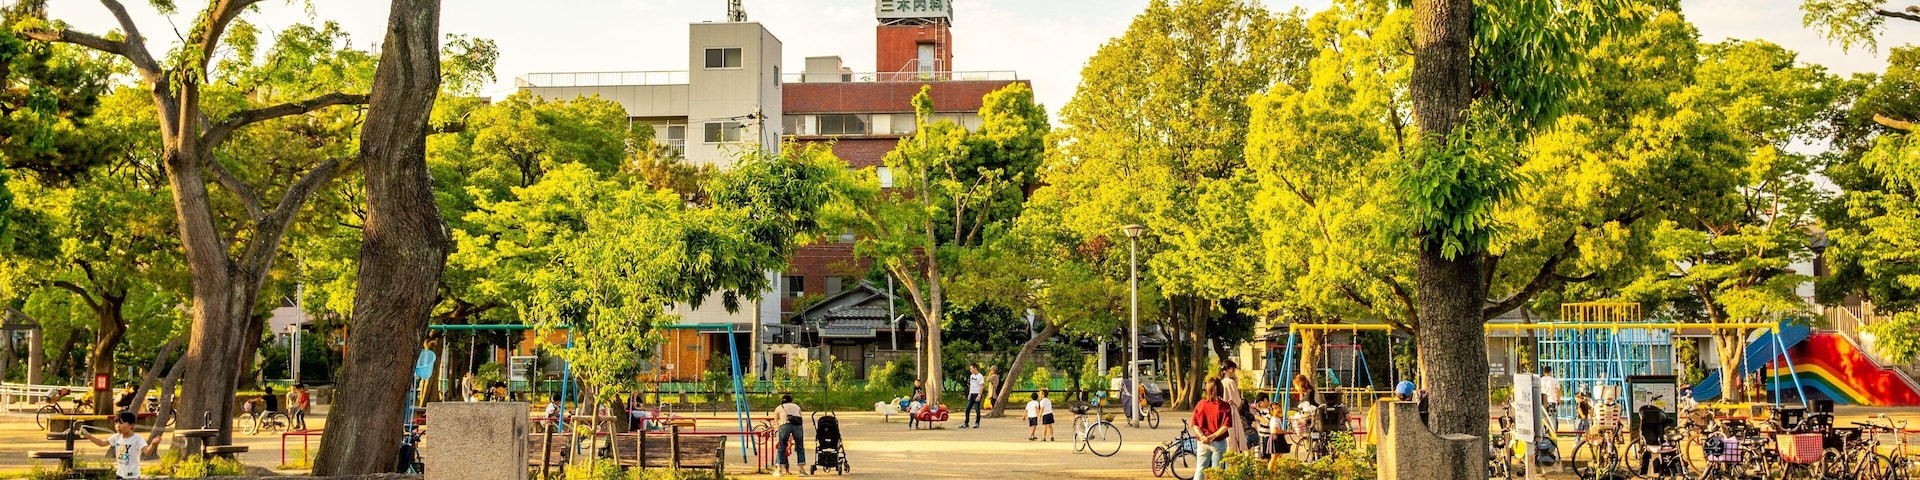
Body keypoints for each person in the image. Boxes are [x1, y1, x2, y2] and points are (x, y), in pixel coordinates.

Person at [85, 410, 161, 479]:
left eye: (121, 423)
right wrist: (88, 436)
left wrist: (153, 444)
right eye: (116, 423)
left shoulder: (137, 438)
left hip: (132, 476)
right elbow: (101, 443)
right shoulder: (117, 437)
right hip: (119, 474)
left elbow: (147, 451)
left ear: (131, 425)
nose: (118, 426)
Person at [1191, 378, 1233, 480]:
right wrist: (1213, 436)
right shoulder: (1225, 406)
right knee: (1217, 471)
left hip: (1202, 442)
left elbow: (1194, 423)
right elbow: (1226, 425)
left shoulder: (1201, 404)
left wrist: (1202, 436)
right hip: (1218, 441)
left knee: (1200, 468)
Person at [773, 394, 807, 476]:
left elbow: (776, 421)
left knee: (782, 446)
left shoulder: (779, 407)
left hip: (784, 425)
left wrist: (778, 430)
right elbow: (800, 417)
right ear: (791, 400)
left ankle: (779, 470)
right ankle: (801, 470)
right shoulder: (796, 406)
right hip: (797, 426)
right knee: (800, 447)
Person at [1220, 359, 1247, 452]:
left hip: (1220, 411)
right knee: (1232, 437)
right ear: (1230, 369)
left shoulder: (1220, 381)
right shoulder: (1230, 382)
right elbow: (1237, 400)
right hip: (1230, 410)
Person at [1541, 366, 1562, 438]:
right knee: (1553, 417)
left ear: (1544, 372)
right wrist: (1559, 399)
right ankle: (1554, 433)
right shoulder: (1554, 380)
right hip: (1552, 400)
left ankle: (1543, 432)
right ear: (1550, 372)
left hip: (1543, 401)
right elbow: (1558, 390)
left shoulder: (1541, 380)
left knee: (1543, 417)